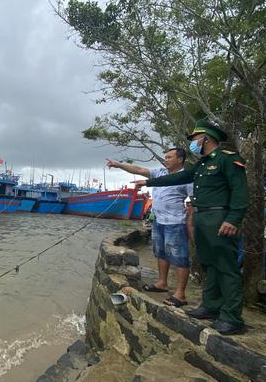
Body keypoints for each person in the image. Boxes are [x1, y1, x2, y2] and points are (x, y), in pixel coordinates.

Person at [132, 120, 249, 335]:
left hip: (219, 216)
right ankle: (211, 306)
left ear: (207, 138)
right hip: (203, 218)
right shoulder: (202, 165)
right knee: (209, 264)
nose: (193, 143)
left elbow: (240, 192)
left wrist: (233, 219)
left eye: (195, 139)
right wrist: (148, 183)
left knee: (226, 266)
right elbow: (180, 177)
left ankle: (232, 317)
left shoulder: (227, 160)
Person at [106, 148, 193, 308]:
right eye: (165, 157)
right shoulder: (160, 172)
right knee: (160, 254)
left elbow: (194, 200)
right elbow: (138, 169)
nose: (166, 160)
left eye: (169, 157)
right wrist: (118, 165)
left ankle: (180, 294)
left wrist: (191, 221)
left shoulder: (186, 177)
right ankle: (162, 283)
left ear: (180, 160)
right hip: (158, 221)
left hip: (175, 222)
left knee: (180, 258)